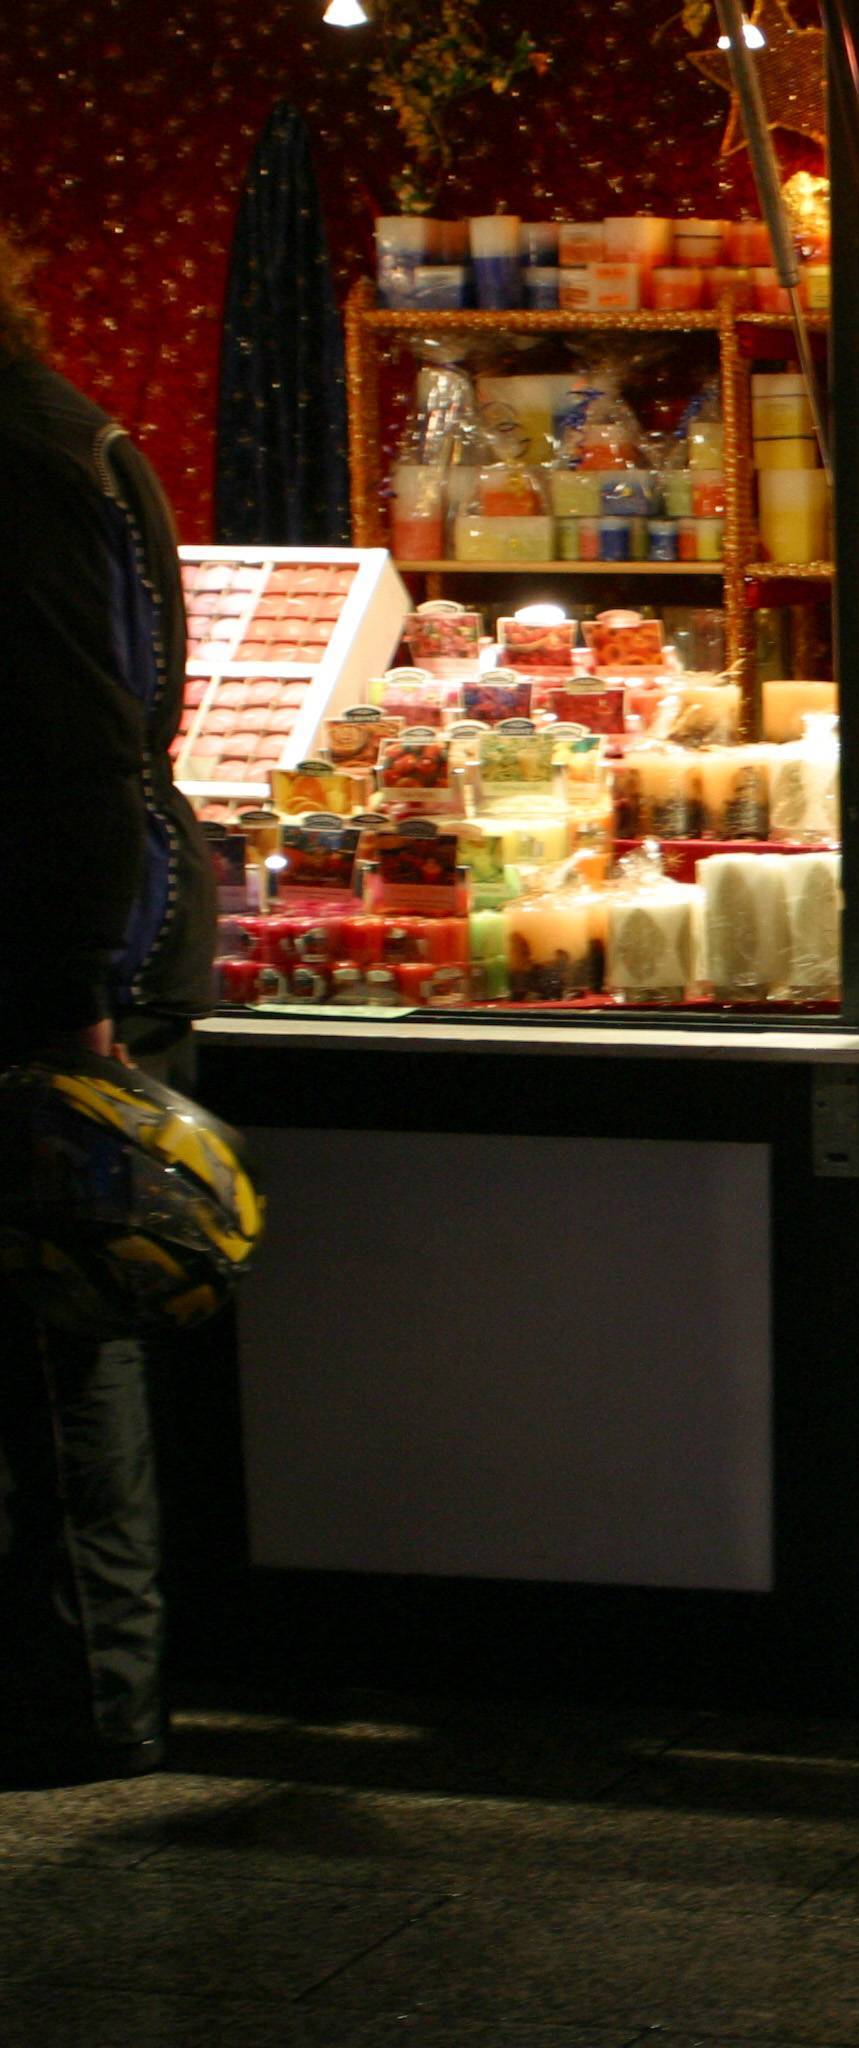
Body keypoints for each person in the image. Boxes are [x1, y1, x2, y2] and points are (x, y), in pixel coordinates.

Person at [0, 227, 217, 1788]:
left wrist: (76, 997)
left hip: (62, 963)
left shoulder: (21, 456)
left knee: (60, 1342)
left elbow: (75, 751)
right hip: (80, 946)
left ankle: (91, 1710)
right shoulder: (51, 433)